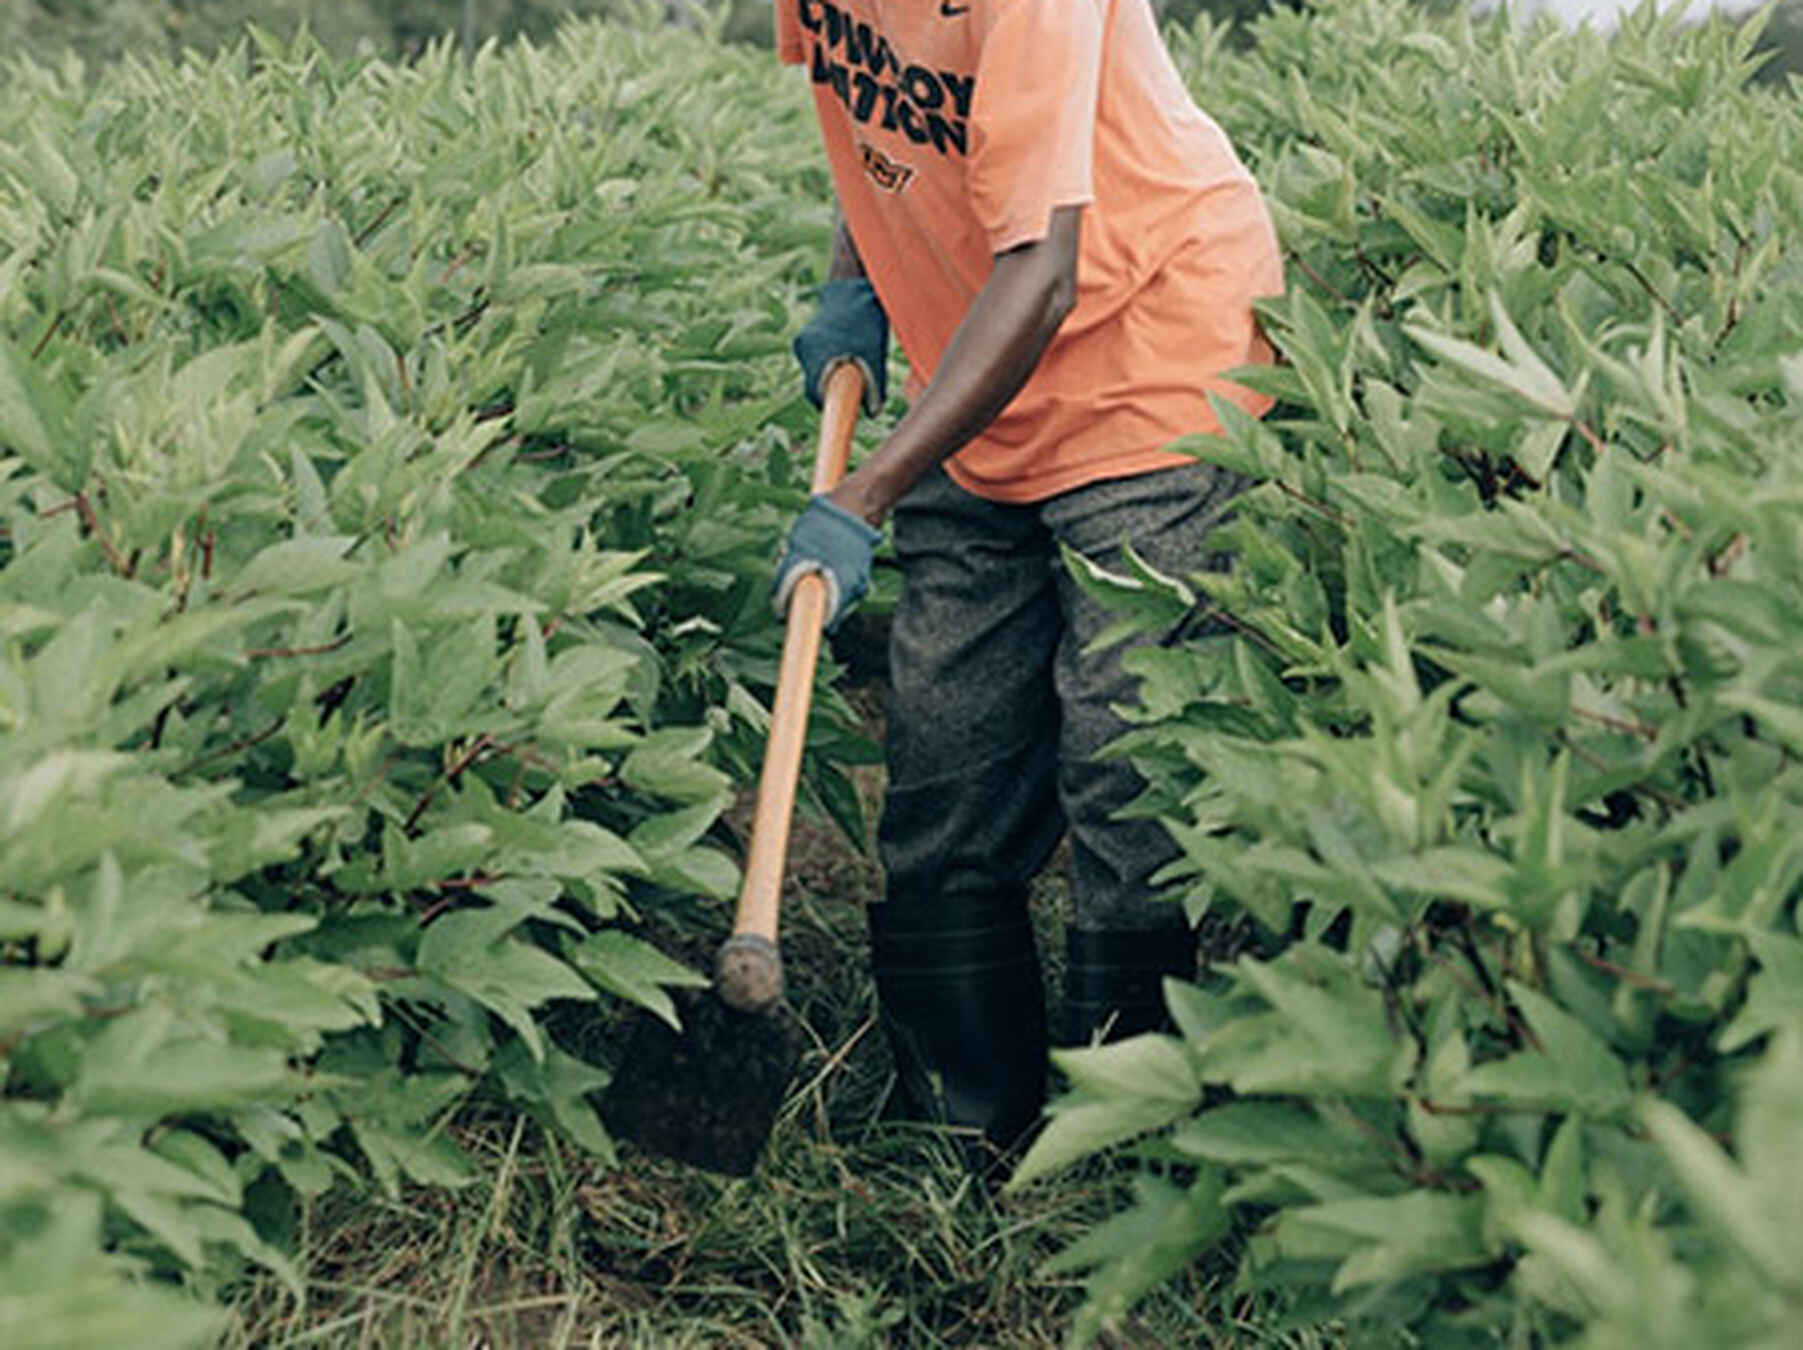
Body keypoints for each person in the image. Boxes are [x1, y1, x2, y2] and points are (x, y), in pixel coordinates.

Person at [770, 0, 1284, 1166]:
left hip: (1154, 355)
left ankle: (1134, 1146)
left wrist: (868, 493)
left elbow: (1044, 272)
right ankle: (964, 1131)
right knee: (947, 738)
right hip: (981, 364)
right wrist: (855, 278)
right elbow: (875, 127)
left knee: (1128, 761)